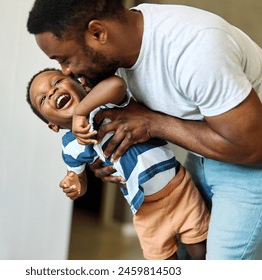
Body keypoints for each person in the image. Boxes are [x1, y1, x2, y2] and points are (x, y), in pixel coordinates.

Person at [26, 1, 262, 259]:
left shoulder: (196, 49)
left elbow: (252, 146)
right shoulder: (116, 50)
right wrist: (107, 155)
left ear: (97, 33)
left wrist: (151, 123)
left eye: (65, 59)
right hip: (206, 152)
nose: (67, 72)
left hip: (249, 161)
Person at [26, 68, 210, 260]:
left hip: (179, 188)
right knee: (162, 258)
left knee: (199, 249)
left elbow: (117, 84)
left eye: (57, 82)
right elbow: (78, 176)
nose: (52, 92)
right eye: (43, 99)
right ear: (52, 125)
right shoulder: (71, 146)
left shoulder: (105, 105)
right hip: (144, 208)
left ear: (82, 86)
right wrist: (75, 183)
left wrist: (82, 111)